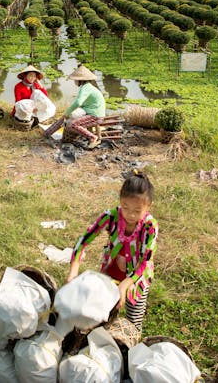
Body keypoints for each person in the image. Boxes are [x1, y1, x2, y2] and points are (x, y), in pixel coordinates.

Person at [66, 171, 158, 331]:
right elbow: (83, 241)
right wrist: (73, 271)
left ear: (148, 207)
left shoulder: (150, 227)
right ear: (120, 201)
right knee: (102, 312)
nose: (130, 214)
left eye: (137, 211)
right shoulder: (111, 216)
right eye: (125, 207)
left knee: (133, 321)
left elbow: (144, 263)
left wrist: (124, 286)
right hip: (111, 272)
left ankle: (128, 347)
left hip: (137, 279)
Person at [63, 65, 106, 149]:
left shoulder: (85, 88)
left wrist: (67, 113)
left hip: (96, 115)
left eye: (75, 80)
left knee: (73, 124)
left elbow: (78, 102)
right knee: (73, 117)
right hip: (96, 112)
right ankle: (94, 136)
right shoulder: (88, 86)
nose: (74, 81)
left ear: (80, 80)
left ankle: (93, 137)